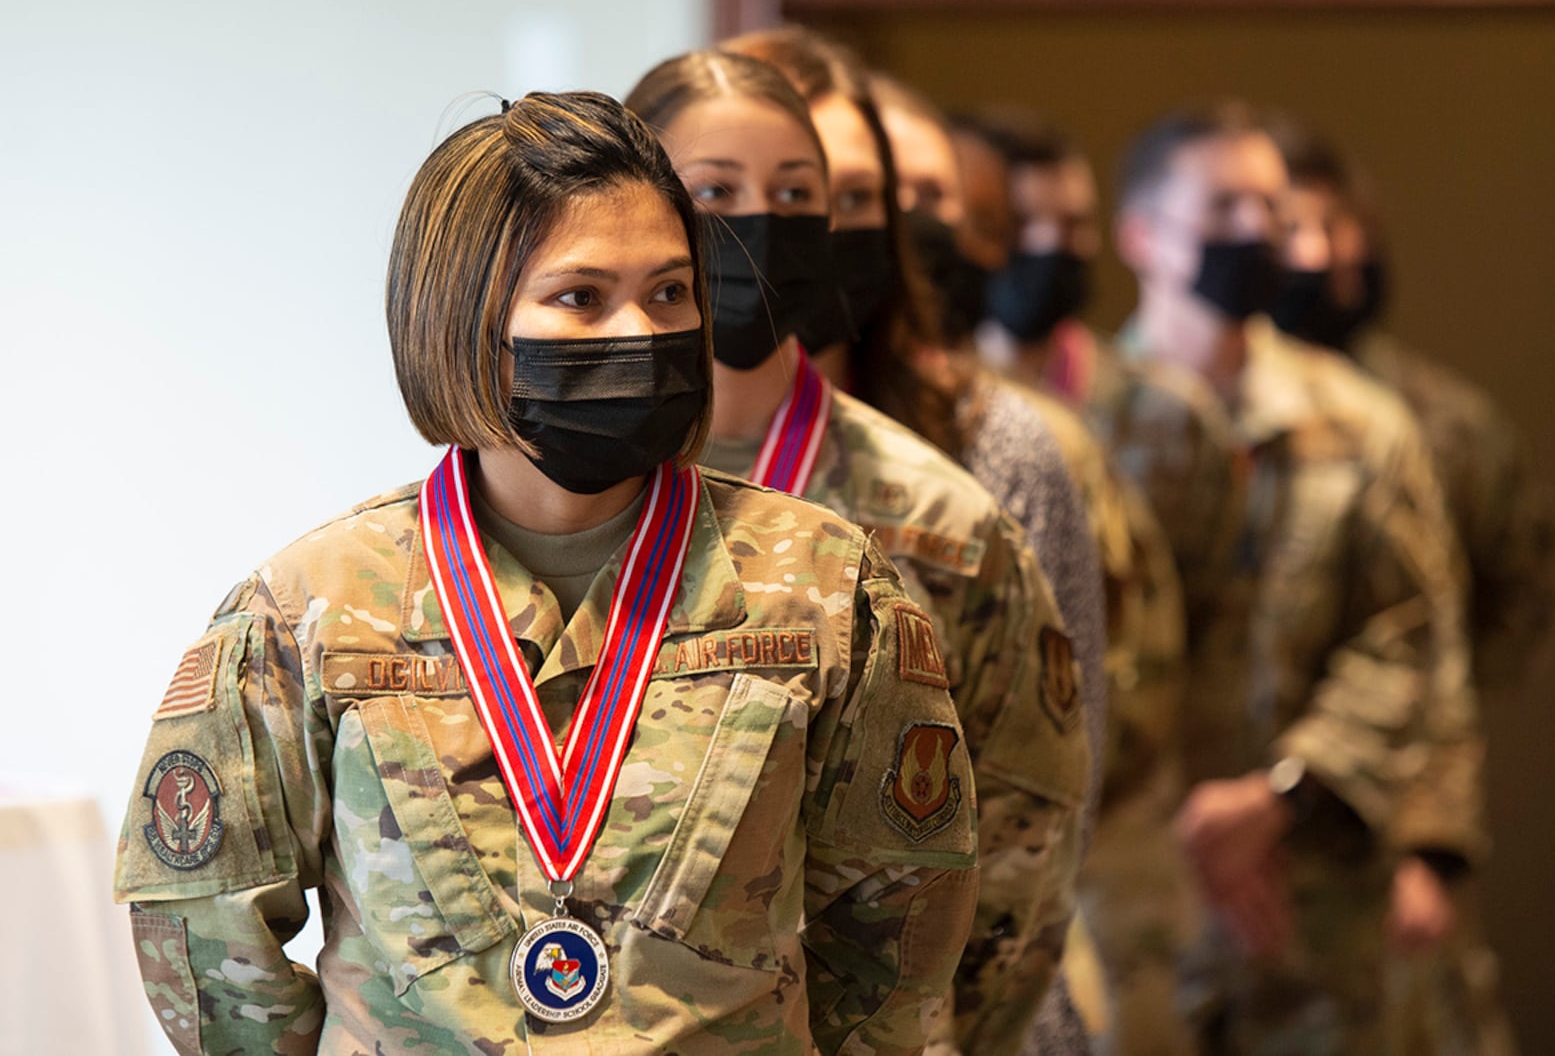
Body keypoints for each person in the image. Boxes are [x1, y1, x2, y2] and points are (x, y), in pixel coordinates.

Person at [111, 89, 982, 1055]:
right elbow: (210, 938)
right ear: (467, 322)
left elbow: (899, 929)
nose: (642, 330)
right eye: (580, 297)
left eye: (669, 292)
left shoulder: (827, 587)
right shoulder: (311, 608)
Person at [624, 49, 1093, 1056]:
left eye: (797, 194)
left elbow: (1024, 843)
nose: (759, 223)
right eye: (715, 192)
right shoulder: (572, 492)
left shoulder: (943, 518)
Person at [1107, 100, 1483, 1055]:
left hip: (1316, 900)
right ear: (1141, 234)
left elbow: (1411, 635)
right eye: (1224, 209)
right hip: (1132, 902)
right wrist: (1181, 826)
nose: (1256, 235)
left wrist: (1276, 797)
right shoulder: (1079, 428)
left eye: (1271, 212)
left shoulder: (1362, 423)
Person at [1271, 118, 1555, 1056]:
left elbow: (1497, 605)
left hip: (1394, 821)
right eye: (1297, 228)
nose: (1328, 254)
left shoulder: (1435, 423)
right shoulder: (1179, 414)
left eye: (1345, 226)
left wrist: (1428, 829)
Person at [957, 104, 1203, 1056]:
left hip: (1128, 832)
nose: (1051, 250)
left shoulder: (1154, 418)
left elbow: (1204, 622)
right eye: (1025, 229)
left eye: (1075, 226)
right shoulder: (923, 422)